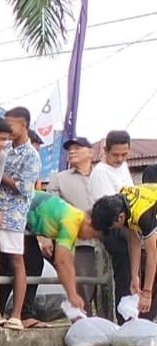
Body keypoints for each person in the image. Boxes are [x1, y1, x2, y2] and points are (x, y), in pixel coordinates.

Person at [0, 107, 40, 328]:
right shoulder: (6, 151)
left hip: (13, 216)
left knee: (17, 263)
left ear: (24, 125)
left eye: (10, 125)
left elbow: (24, 188)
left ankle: (17, 314)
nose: (6, 129)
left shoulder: (31, 155)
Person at [24, 191, 103, 315]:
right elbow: (61, 262)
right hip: (20, 213)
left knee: (34, 265)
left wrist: (73, 294)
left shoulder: (75, 219)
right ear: (89, 225)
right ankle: (21, 314)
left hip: (27, 223)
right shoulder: (71, 222)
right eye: (93, 236)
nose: (89, 239)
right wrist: (72, 296)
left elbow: (69, 264)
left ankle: (25, 314)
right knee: (30, 264)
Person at [47, 136, 99, 312]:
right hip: (78, 242)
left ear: (91, 152)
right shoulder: (58, 179)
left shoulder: (101, 174)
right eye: (70, 148)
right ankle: (85, 321)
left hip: (105, 241)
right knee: (82, 285)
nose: (72, 151)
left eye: (78, 147)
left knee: (107, 286)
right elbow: (51, 211)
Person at [91, 185, 157, 316]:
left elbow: (153, 254)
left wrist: (147, 292)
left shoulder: (142, 214)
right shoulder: (123, 201)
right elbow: (133, 241)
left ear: (120, 217)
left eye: (112, 226)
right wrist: (134, 277)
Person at [89, 130, 135, 309]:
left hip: (129, 223)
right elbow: (109, 210)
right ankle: (124, 313)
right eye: (115, 155)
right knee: (124, 270)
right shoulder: (101, 172)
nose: (120, 159)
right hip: (112, 227)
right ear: (105, 151)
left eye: (124, 154)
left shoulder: (122, 166)